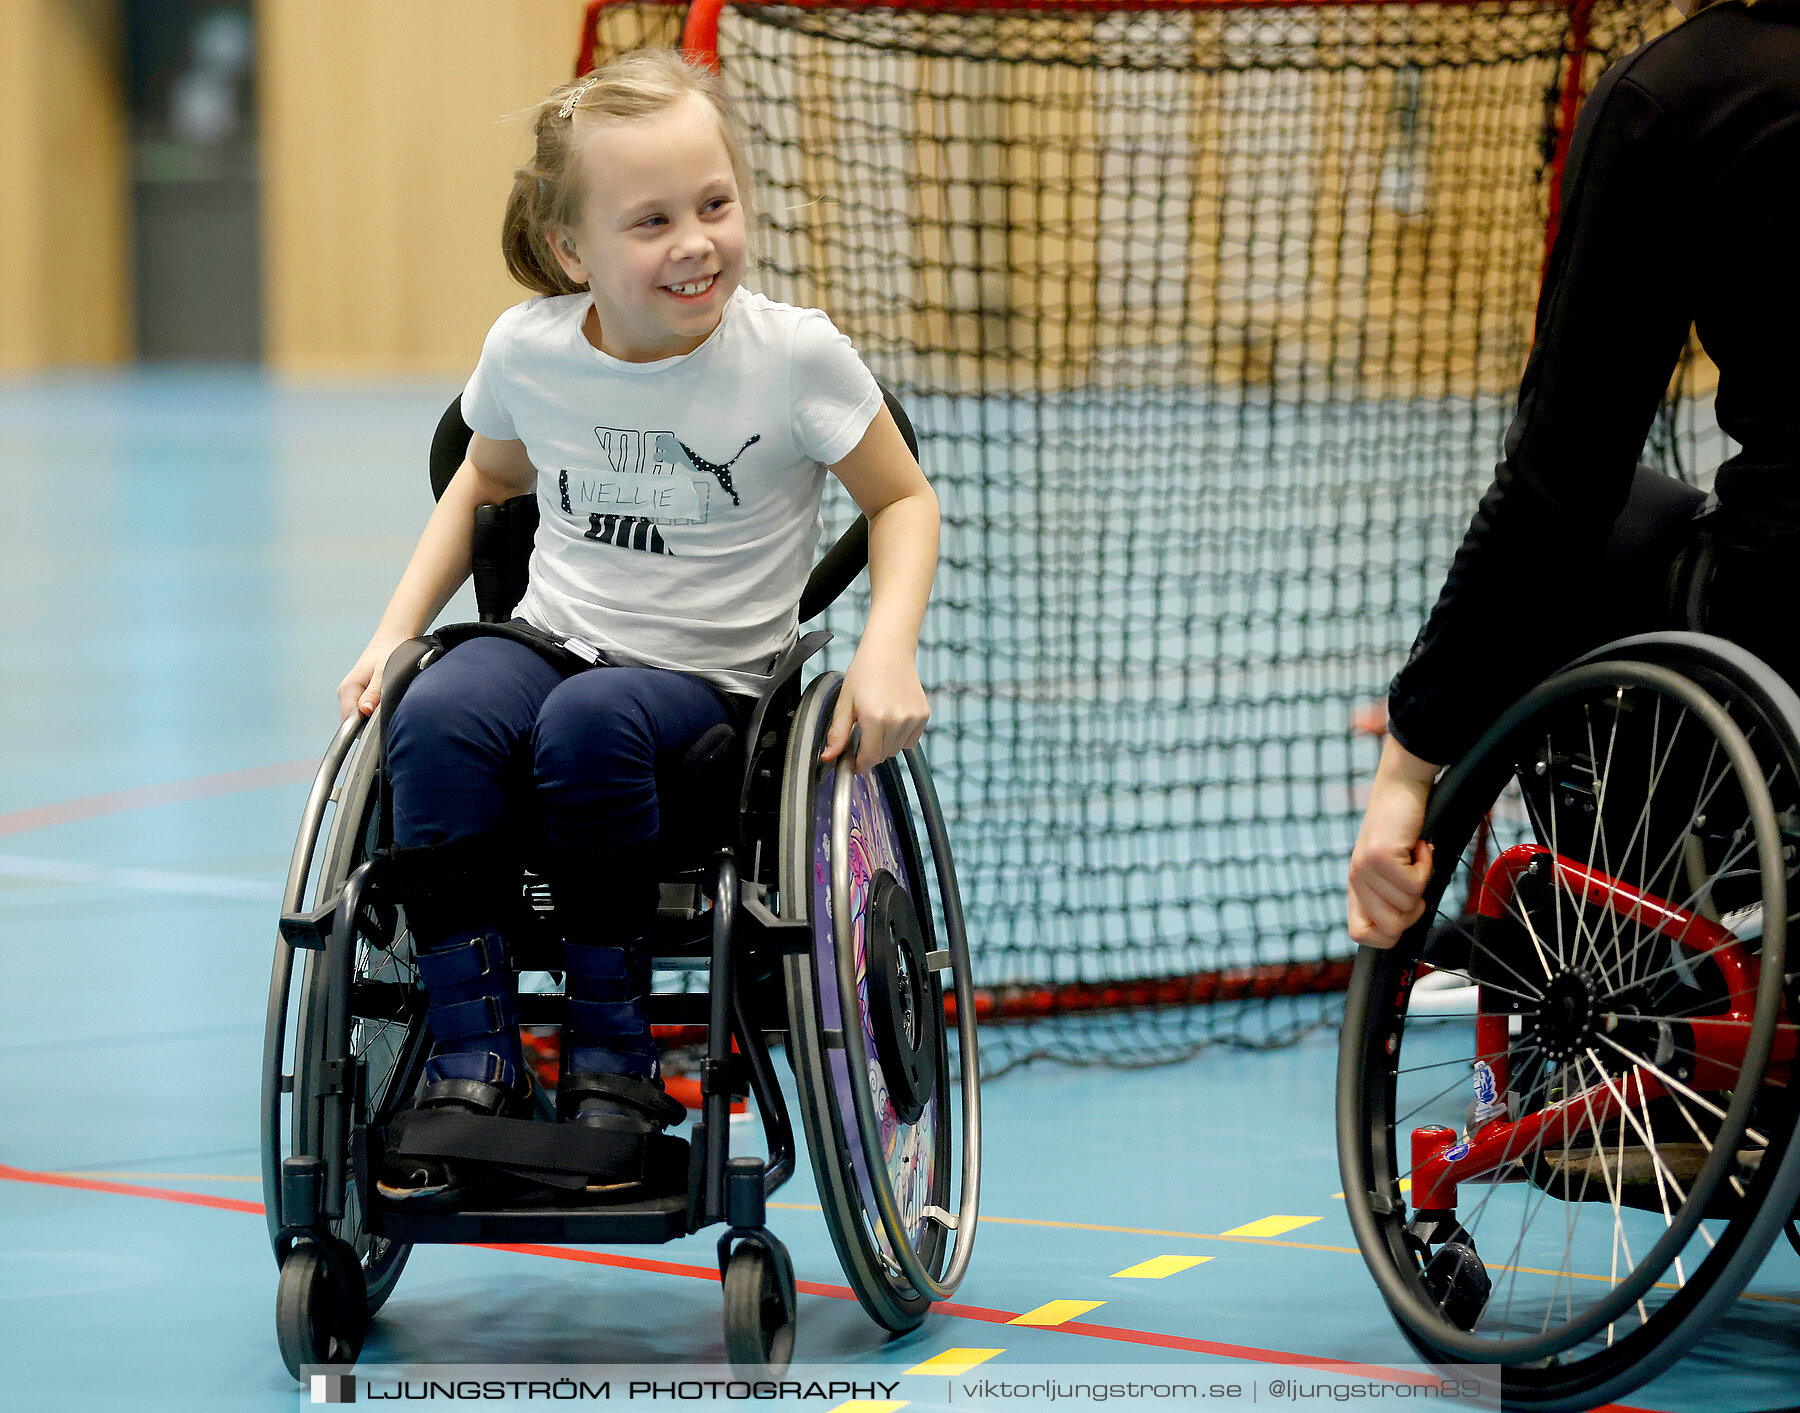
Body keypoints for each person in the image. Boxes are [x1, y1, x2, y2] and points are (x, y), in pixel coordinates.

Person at [335, 50, 940, 1204]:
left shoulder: (793, 355)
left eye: (715, 205)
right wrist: (390, 635)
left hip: (709, 686)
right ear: (576, 252)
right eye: (652, 220)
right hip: (560, 639)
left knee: (589, 723)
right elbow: (479, 485)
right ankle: (476, 1057)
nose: (696, 242)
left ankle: (616, 1059)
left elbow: (903, 501)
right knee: (441, 712)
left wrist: (886, 651)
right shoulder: (532, 350)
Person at [1347, 0, 1800, 950]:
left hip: (1785, 633)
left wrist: (1411, 758)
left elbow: (1561, 481)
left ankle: (1622, 961)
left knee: (1619, 524)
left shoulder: (1682, 95)